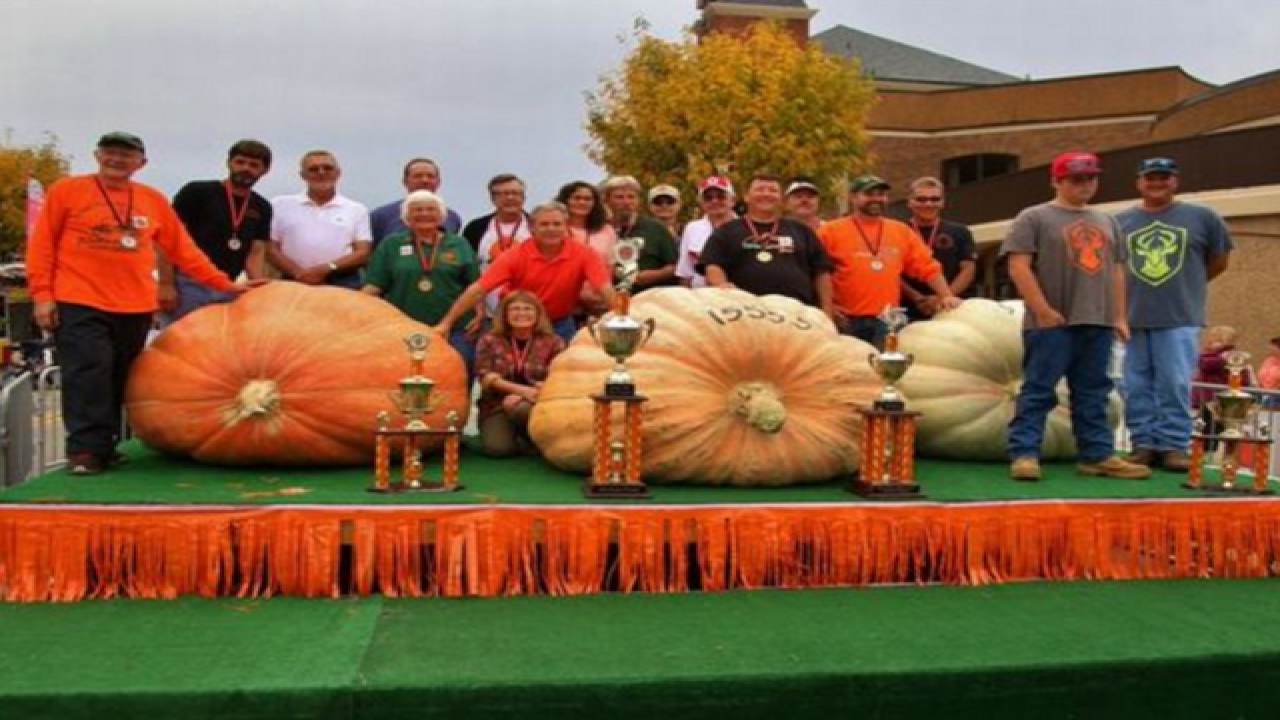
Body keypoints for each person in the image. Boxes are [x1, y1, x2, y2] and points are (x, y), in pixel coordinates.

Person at [26, 132, 255, 475]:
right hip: (79, 297)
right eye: (111, 153)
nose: (118, 160)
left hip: (133, 304)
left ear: (141, 163)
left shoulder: (151, 200)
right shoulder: (67, 191)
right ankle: (86, 450)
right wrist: (42, 295)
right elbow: (41, 245)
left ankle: (107, 444)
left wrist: (224, 284)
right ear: (97, 155)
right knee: (89, 369)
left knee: (121, 375)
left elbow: (183, 249)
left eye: (127, 155)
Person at [1000, 152, 1149, 482]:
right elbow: (1018, 266)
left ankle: (1096, 455)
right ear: (1057, 181)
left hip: (1097, 320)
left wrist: (1120, 316)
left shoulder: (1108, 221)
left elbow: (1118, 271)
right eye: (1076, 179)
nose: (1085, 185)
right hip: (1052, 322)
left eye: (1091, 178)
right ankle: (1025, 453)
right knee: (1039, 390)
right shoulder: (1033, 217)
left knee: (1094, 391)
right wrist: (1041, 309)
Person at [1117, 157, 1233, 472]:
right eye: (1150, 178)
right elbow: (1111, 270)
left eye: (1164, 178)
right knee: (1135, 385)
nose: (1157, 183)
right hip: (1133, 317)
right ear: (1139, 182)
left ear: (1175, 181)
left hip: (1180, 317)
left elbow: (1219, 261)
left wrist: (1188, 287)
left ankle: (1173, 445)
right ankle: (1142, 443)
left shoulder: (1203, 217)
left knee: (1175, 383)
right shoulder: (1120, 221)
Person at [434, 202, 613, 344]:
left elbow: (604, 288)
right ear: (532, 227)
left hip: (560, 322)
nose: (551, 229)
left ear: (566, 227)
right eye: (544, 224)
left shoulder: (585, 254)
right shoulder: (515, 255)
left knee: (560, 375)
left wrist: (623, 318)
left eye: (557, 224)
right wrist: (446, 323)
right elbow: (479, 289)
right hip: (517, 322)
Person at [818, 174, 961, 347]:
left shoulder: (900, 231)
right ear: (853, 197)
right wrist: (827, 306)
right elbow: (816, 272)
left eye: (881, 194)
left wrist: (946, 295)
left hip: (888, 320)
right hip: (847, 320)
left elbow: (927, 266)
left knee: (887, 371)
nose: (876, 199)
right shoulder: (829, 231)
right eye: (869, 194)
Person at [362, 190, 480, 374]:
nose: (424, 214)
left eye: (430, 209)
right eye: (417, 210)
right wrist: (350, 307)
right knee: (404, 376)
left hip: (455, 328)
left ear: (441, 216)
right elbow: (374, 286)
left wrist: (479, 313)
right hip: (403, 327)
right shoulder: (391, 245)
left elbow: (475, 285)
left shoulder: (459, 244)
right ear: (406, 217)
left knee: (457, 374)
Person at [157, 139, 273, 325]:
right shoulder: (198, 192)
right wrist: (166, 284)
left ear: (265, 170)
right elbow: (167, 239)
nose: (246, 169)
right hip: (188, 284)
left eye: (254, 165)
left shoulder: (262, 206)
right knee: (181, 342)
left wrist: (257, 286)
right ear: (229, 163)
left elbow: (256, 251)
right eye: (240, 162)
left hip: (229, 286)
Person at [700, 174, 835, 316]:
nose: (766, 194)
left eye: (773, 190)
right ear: (746, 196)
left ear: (781, 198)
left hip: (798, 316)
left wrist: (827, 311)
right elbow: (712, 264)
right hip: (745, 314)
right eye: (760, 189)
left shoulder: (802, 231)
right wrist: (721, 285)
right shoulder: (726, 231)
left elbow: (822, 273)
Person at [474, 291, 565, 457]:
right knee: (498, 450)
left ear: (538, 314)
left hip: (536, 402)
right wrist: (521, 391)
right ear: (505, 314)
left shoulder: (554, 341)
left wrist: (529, 396)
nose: (521, 313)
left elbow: (559, 377)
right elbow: (484, 376)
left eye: (527, 309)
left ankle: (530, 438)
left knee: (521, 409)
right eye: (515, 309)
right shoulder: (489, 339)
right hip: (495, 405)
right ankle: (517, 438)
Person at [268, 150, 371, 289]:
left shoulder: (357, 209)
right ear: (303, 175)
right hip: (292, 281)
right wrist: (298, 273)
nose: (321, 172)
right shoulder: (279, 205)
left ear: (338, 173)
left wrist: (327, 268)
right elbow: (270, 248)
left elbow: (363, 252)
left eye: (327, 168)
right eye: (313, 169)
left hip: (342, 282)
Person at [899, 177, 977, 322]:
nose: (928, 204)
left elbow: (968, 269)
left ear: (942, 202)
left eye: (935, 199)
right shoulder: (898, 231)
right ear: (909, 202)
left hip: (951, 308)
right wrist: (917, 298)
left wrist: (944, 296)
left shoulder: (960, 231)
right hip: (907, 308)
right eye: (921, 199)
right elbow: (891, 272)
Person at [601, 176, 678, 292]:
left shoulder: (656, 228)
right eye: (619, 197)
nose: (626, 202)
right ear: (606, 200)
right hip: (609, 298)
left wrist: (655, 275)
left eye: (631, 197)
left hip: (651, 298)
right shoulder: (599, 230)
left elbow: (675, 266)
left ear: (638, 200)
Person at [369, 158, 463, 244]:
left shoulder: (452, 217)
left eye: (430, 176)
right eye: (418, 176)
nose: (424, 180)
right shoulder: (381, 216)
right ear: (405, 181)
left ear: (438, 182)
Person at [556, 181, 615, 318]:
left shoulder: (607, 230)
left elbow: (610, 267)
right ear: (566, 201)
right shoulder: (555, 229)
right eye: (577, 198)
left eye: (588, 199)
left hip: (598, 303)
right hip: (563, 303)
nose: (582, 202)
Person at [676, 176, 737, 288]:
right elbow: (685, 273)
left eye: (721, 197)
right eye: (708, 198)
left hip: (739, 294)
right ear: (701, 203)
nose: (715, 201)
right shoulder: (692, 228)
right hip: (701, 297)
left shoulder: (745, 227)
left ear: (732, 200)